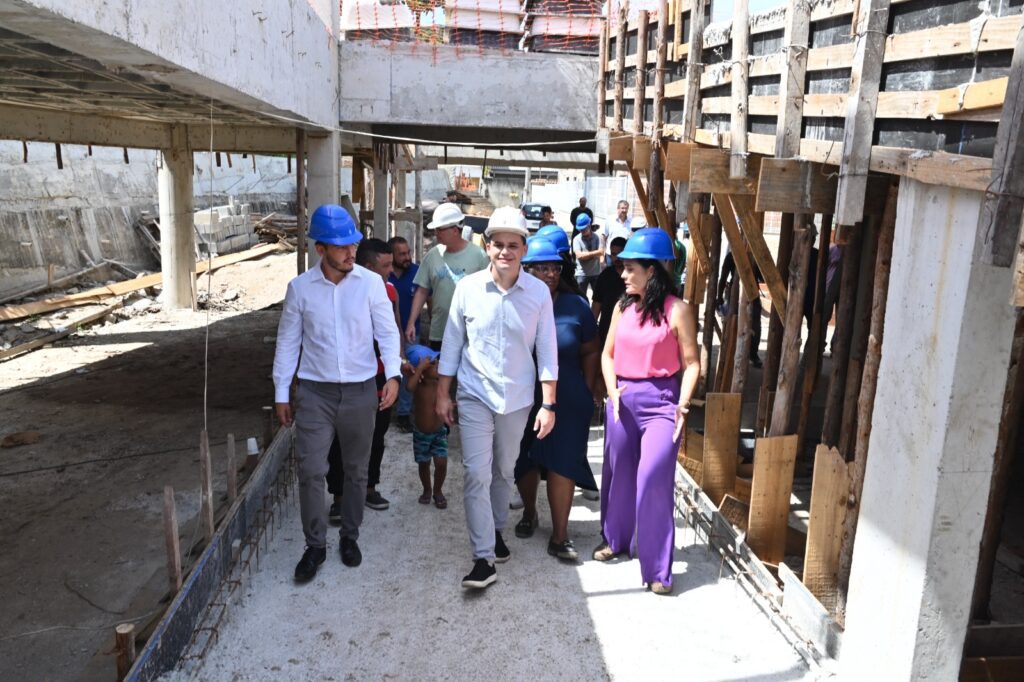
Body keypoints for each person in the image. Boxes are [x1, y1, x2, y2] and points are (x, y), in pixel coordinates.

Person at [272, 205, 401, 581]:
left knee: (357, 470)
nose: (350, 252)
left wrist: (393, 374)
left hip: (361, 391)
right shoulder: (300, 289)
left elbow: (387, 332)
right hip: (315, 393)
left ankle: (349, 535)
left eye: (353, 244)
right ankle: (315, 546)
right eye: (341, 246)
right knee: (311, 469)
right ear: (320, 249)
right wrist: (281, 392)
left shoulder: (371, 284)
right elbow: (287, 342)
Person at [436, 206, 558, 590]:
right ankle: (483, 558)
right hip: (474, 393)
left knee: (504, 470)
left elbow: (547, 351)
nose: (505, 251)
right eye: (498, 244)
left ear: (524, 249)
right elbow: (452, 345)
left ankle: (497, 530)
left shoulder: (538, 294)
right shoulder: (468, 289)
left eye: (513, 245)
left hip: (518, 399)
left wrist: (548, 404)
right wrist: (443, 394)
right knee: (476, 472)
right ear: (487, 246)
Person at [595, 228, 700, 596]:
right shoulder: (621, 308)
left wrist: (683, 403)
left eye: (630, 268)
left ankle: (657, 569)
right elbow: (607, 355)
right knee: (619, 472)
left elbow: (692, 363)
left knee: (653, 479)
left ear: (652, 270)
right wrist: (612, 391)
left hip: (662, 403)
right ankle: (616, 539)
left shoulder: (678, 310)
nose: (623, 275)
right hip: (622, 399)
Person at [513, 237, 600, 561]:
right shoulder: (513, 302)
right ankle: (530, 512)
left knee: (564, 460)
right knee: (524, 458)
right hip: (522, 395)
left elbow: (591, 350)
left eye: (555, 267)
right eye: (542, 268)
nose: (550, 273)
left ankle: (560, 535)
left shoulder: (576, 305)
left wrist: (586, 389)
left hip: (568, 397)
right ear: (525, 270)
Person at [325, 238, 402, 516]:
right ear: (368, 267)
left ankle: (369, 487)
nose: (391, 270)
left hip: (380, 377)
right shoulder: (338, 292)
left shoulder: (390, 290)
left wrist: (397, 367)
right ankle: (339, 496)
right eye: (386, 265)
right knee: (339, 439)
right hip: (350, 378)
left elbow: (394, 330)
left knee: (376, 435)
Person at [405, 203, 489, 350]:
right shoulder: (432, 256)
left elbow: (488, 295)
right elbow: (422, 291)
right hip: (439, 333)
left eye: (440, 229)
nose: (436, 233)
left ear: (455, 230)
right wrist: (411, 322)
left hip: (470, 335)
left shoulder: (479, 256)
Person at [405, 344, 449, 509]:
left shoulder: (440, 383)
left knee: (441, 463)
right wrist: (419, 369)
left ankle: (438, 490)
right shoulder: (419, 384)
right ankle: (427, 489)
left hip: (439, 432)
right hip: (421, 433)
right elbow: (409, 387)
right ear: (422, 369)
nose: (437, 364)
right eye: (432, 363)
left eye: (436, 361)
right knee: (424, 464)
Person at [388, 236, 419, 432]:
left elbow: (428, 299)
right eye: (402, 254)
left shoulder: (417, 272)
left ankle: (404, 413)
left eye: (408, 252)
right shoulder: (383, 274)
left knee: (409, 371)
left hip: (410, 335)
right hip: (385, 334)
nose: (408, 257)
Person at [717, 248, 764, 368]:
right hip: (736, 293)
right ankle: (733, 351)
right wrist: (719, 296)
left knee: (755, 325)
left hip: (752, 293)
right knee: (734, 322)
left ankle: (753, 353)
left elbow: (763, 278)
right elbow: (723, 277)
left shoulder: (755, 255)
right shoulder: (731, 256)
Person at [592, 236, 628, 347]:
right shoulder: (604, 276)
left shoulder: (634, 275)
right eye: (613, 254)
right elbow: (596, 305)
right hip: (606, 331)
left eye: (619, 254)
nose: (616, 258)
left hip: (627, 331)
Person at [572, 214, 603, 297]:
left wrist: (587, 255)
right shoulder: (576, 239)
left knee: (598, 297)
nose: (582, 231)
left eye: (584, 229)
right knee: (581, 298)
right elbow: (580, 256)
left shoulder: (597, 237)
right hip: (581, 274)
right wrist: (595, 253)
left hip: (595, 273)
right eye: (580, 229)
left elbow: (601, 252)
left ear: (589, 226)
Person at [602, 200, 633, 264]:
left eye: (626, 208)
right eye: (622, 208)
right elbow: (604, 236)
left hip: (624, 255)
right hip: (610, 254)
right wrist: (603, 252)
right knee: (610, 270)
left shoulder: (631, 222)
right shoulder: (610, 220)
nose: (624, 210)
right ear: (618, 208)